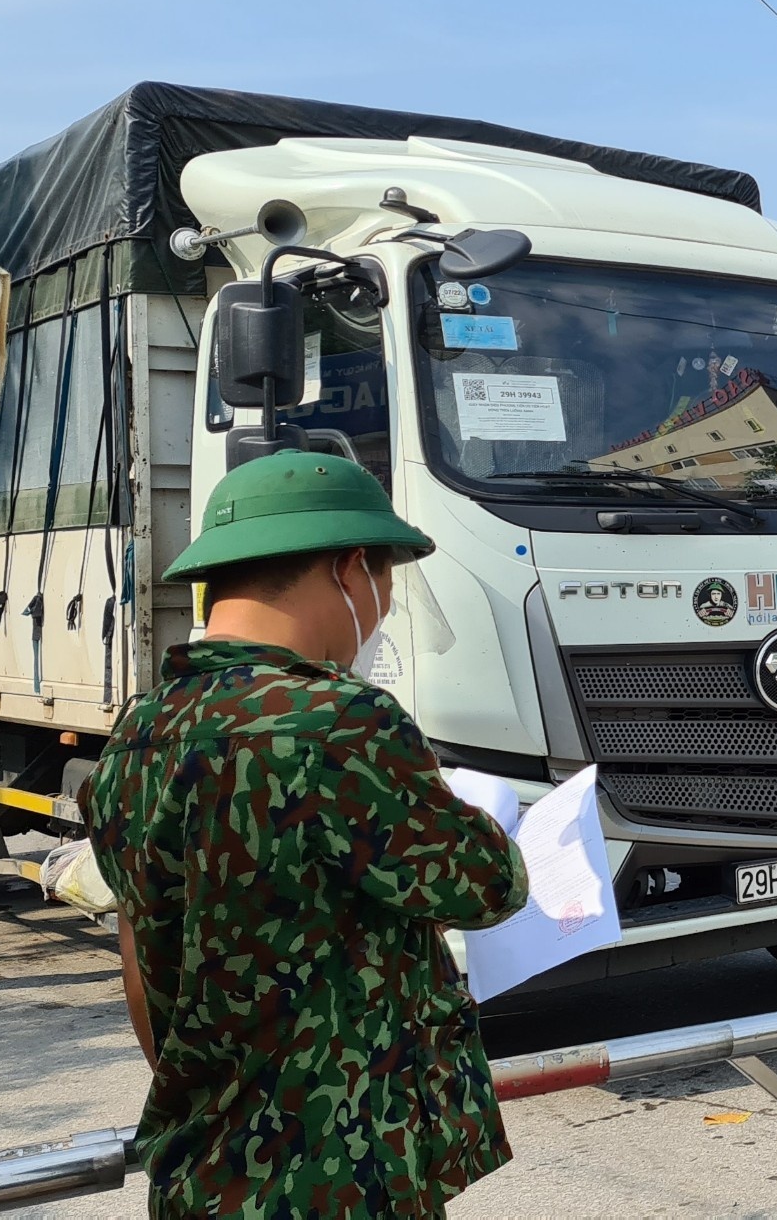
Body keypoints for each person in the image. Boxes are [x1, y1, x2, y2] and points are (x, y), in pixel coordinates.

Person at [80, 452, 530, 1215]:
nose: (382, 611)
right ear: (352, 569)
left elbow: (138, 955)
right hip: (342, 1178)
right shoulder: (341, 722)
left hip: (202, 1172)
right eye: (386, 584)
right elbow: (491, 885)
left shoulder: (137, 736)